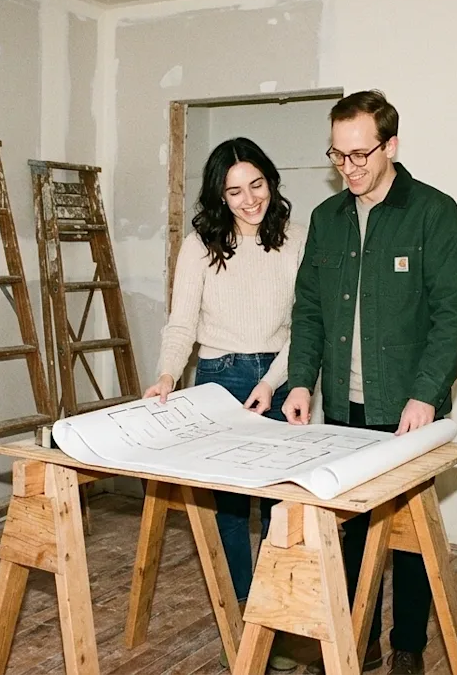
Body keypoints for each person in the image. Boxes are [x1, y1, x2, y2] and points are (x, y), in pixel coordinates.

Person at [282, 90, 457, 675]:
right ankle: (354, 636)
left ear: (391, 145)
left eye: (361, 154)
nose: (349, 168)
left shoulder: (433, 213)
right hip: (341, 403)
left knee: (410, 538)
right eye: (337, 156)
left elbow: (451, 314)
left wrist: (425, 392)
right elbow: (309, 309)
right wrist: (299, 383)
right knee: (350, 531)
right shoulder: (325, 219)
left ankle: (408, 644)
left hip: (408, 407)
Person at [145, 136, 306, 672]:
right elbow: (182, 321)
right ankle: (243, 619)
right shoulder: (200, 244)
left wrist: (277, 379)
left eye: (256, 184)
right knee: (231, 513)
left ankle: (277, 624)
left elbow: (308, 326)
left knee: (286, 510)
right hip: (218, 379)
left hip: (285, 381)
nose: (248, 199)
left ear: (271, 181)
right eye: (234, 191)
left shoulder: (298, 239)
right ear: (219, 195)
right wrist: (168, 373)